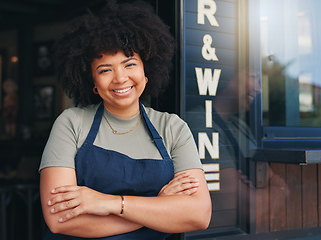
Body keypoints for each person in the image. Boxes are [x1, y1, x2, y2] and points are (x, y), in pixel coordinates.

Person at [39, 1, 212, 239]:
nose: (120, 78)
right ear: (93, 83)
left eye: (129, 64)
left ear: (146, 71)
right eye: (105, 70)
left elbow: (199, 215)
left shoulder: (173, 128)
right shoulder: (71, 123)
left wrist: (109, 203)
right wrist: (158, 207)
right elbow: (59, 220)